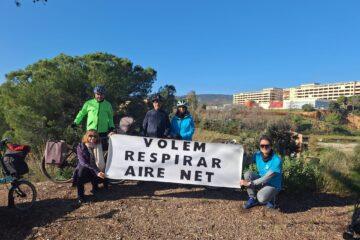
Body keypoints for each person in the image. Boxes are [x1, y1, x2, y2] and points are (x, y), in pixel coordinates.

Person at [240, 135, 282, 209]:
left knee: (261, 198)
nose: (264, 148)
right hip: (261, 181)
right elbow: (246, 161)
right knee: (247, 174)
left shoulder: (276, 160)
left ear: (271, 146)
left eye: (267, 146)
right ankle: (252, 198)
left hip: (272, 185)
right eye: (262, 146)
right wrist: (242, 153)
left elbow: (267, 177)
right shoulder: (258, 155)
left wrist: (250, 183)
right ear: (260, 146)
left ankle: (272, 198)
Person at [72, 85, 115, 151]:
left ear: (104, 95)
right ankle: (87, 161)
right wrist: (76, 122)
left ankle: (100, 161)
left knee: (101, 150)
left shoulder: (108, 105)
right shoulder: (89, 103)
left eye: (102, 94)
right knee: (88, 149)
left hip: (102, 131)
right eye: (98, 94)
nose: (99, 96)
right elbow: (81, 113)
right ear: (95, 94)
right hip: (91, 131)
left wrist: (112, 127)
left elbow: (110, 118)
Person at [73, 130, 106, 204]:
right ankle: (80, 196)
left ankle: (95, 188)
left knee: (101, 174)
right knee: (81, 173)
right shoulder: (81, 146)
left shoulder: (96, 146)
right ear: (86, 137)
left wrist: (111, 135)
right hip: (83, 169)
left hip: (93, 168)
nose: (93, 138)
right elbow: (83, 162)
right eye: (90, 136)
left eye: (95, 136)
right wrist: (97, 172)